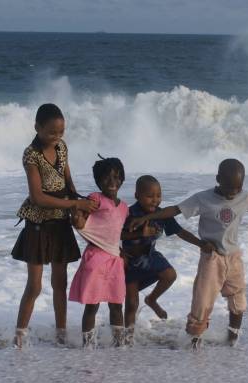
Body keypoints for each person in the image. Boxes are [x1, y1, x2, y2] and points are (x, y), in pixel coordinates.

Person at [128, 159, 248, 349]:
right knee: (202, 301)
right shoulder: (203, 199)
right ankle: (193, 340)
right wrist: (147, 217)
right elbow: (175, 210)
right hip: (211, 258)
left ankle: (233, 338)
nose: (233, 193)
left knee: (238, 299)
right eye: (229, 188)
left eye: (237, 188)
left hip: (234, 257)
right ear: (218, 179)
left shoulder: (244, 197)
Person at [11, 103, 98, 349]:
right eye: (51, 132)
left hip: (60, 221)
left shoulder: (61, 147)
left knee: (60, 283)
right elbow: (37, 197)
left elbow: (68, 181)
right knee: (35, 286)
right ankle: (19, 337)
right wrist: (73, 203)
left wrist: (80, 204)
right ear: (37, 127)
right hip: (38, 223)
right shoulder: (31, 154)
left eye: (60, 131)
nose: (56, 136)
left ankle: (61, 333)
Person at [121, 175, 205, 346]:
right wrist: (122, 249)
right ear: (137, 195)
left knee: (170, 275)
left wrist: (200, 243)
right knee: (131, 304)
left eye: (158, 195)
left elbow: (180, 232)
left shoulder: (162, 214)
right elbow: (116, 234)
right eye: (150, 196)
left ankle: (152, 299)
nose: (155, 200)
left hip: (150, 256)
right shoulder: (129, 213)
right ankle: (127, 339)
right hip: (130, 262)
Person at [69, 156, 129, 349]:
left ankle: (119, 345)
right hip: (96, 257)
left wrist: (122, 251)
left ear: (122, 179)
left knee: (116, 304)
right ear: (98, 180)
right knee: (92, 305)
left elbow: (115, 231)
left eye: (117, 177)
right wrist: (76, 217)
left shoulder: (125, 207)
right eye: (107, 177)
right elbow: (81, 221)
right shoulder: (95, 198)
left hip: (115, 259)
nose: (112, 182)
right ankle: (88, 346)